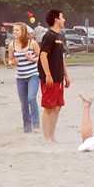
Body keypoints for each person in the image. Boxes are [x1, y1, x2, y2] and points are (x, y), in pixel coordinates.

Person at [38, 9, 71, 142]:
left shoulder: (60, 35)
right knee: (48, 107)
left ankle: (52, 135)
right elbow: (43, 55)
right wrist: (47, 75)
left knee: (57, 107)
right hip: (50, 78)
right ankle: (47, 137)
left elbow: (61, 57)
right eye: (62, 17)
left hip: (59, 77)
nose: (64, 20)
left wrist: (66, 75)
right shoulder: (49, 36)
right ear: (56, 19)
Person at [9, 22, 41, 134]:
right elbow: (9, 60)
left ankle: (36, 124)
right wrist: (13, 62)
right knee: (23, 102)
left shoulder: (32, 43)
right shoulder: (12, 44)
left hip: (33, 75)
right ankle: (27, 127)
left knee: (31, 98)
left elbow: (41, 57)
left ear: (23, 31)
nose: (14, 32)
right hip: (20, 77)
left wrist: (32, 59)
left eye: (17, 30)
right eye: (13, 30)